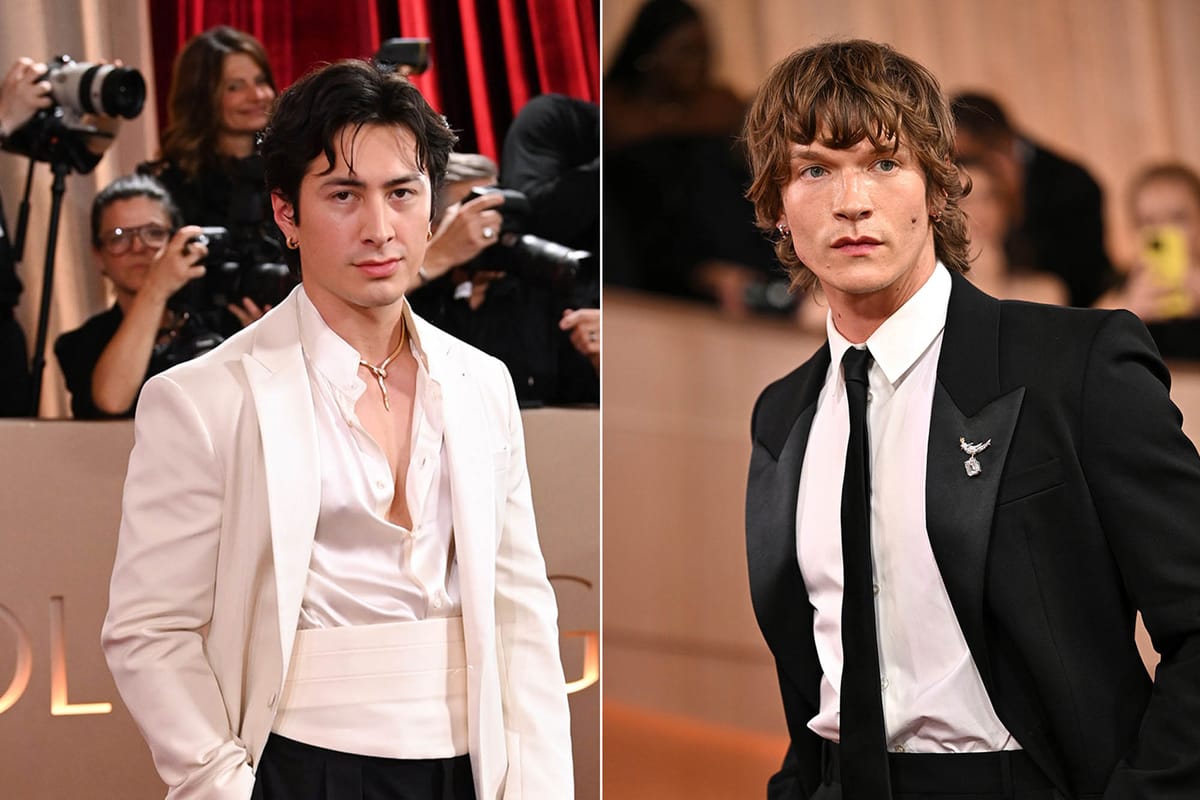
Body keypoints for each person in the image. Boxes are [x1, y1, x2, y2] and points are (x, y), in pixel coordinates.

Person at [102, 60, 573, 799]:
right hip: (299, 766)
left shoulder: (482, 383)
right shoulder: (202, 399)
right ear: (286, 213)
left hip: (473, 768)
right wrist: (224, 784)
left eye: (402, 193)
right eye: (344, 195)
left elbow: (521, 612)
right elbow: (150, 629)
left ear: (433, 207)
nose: (379, 229)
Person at [743, 39, 1200, 800]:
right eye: (814, 170)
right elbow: (811, 666)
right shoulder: (781, 415)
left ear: (937, 186)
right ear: (775, 207)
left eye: (884, 163)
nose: (851, 201)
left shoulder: (1074, 366)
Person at [604, 0, 780, 315]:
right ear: (649, 54)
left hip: (726, 239)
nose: (698, 62)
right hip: (646, 252)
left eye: (704, 51)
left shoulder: (722, 105)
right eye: (686, 51)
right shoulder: (612, 111)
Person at [139, 25, 285, 323]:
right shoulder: (169, 186)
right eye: (235, 87)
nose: (257, 95)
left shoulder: (293, 168)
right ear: (202, 97)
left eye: (261, 81)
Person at [54, 174, 216, 419]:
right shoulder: (79, 345)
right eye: (118, 237)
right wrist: (155, 289)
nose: (138, 247)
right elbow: (112, 402)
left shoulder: (213, 325)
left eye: (153, 232)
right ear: (99, 257)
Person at [951, 91, 1115, 308]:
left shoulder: (1069, 184)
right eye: (965, 199)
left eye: (987, 198)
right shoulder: (931, 294)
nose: (978, 211)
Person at [1095, 162, 1200, 359]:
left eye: (1178, 218)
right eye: (1147, 222)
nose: (1162, 231)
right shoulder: (1125, 283)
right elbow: (1088, 334)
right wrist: (1129, 310)